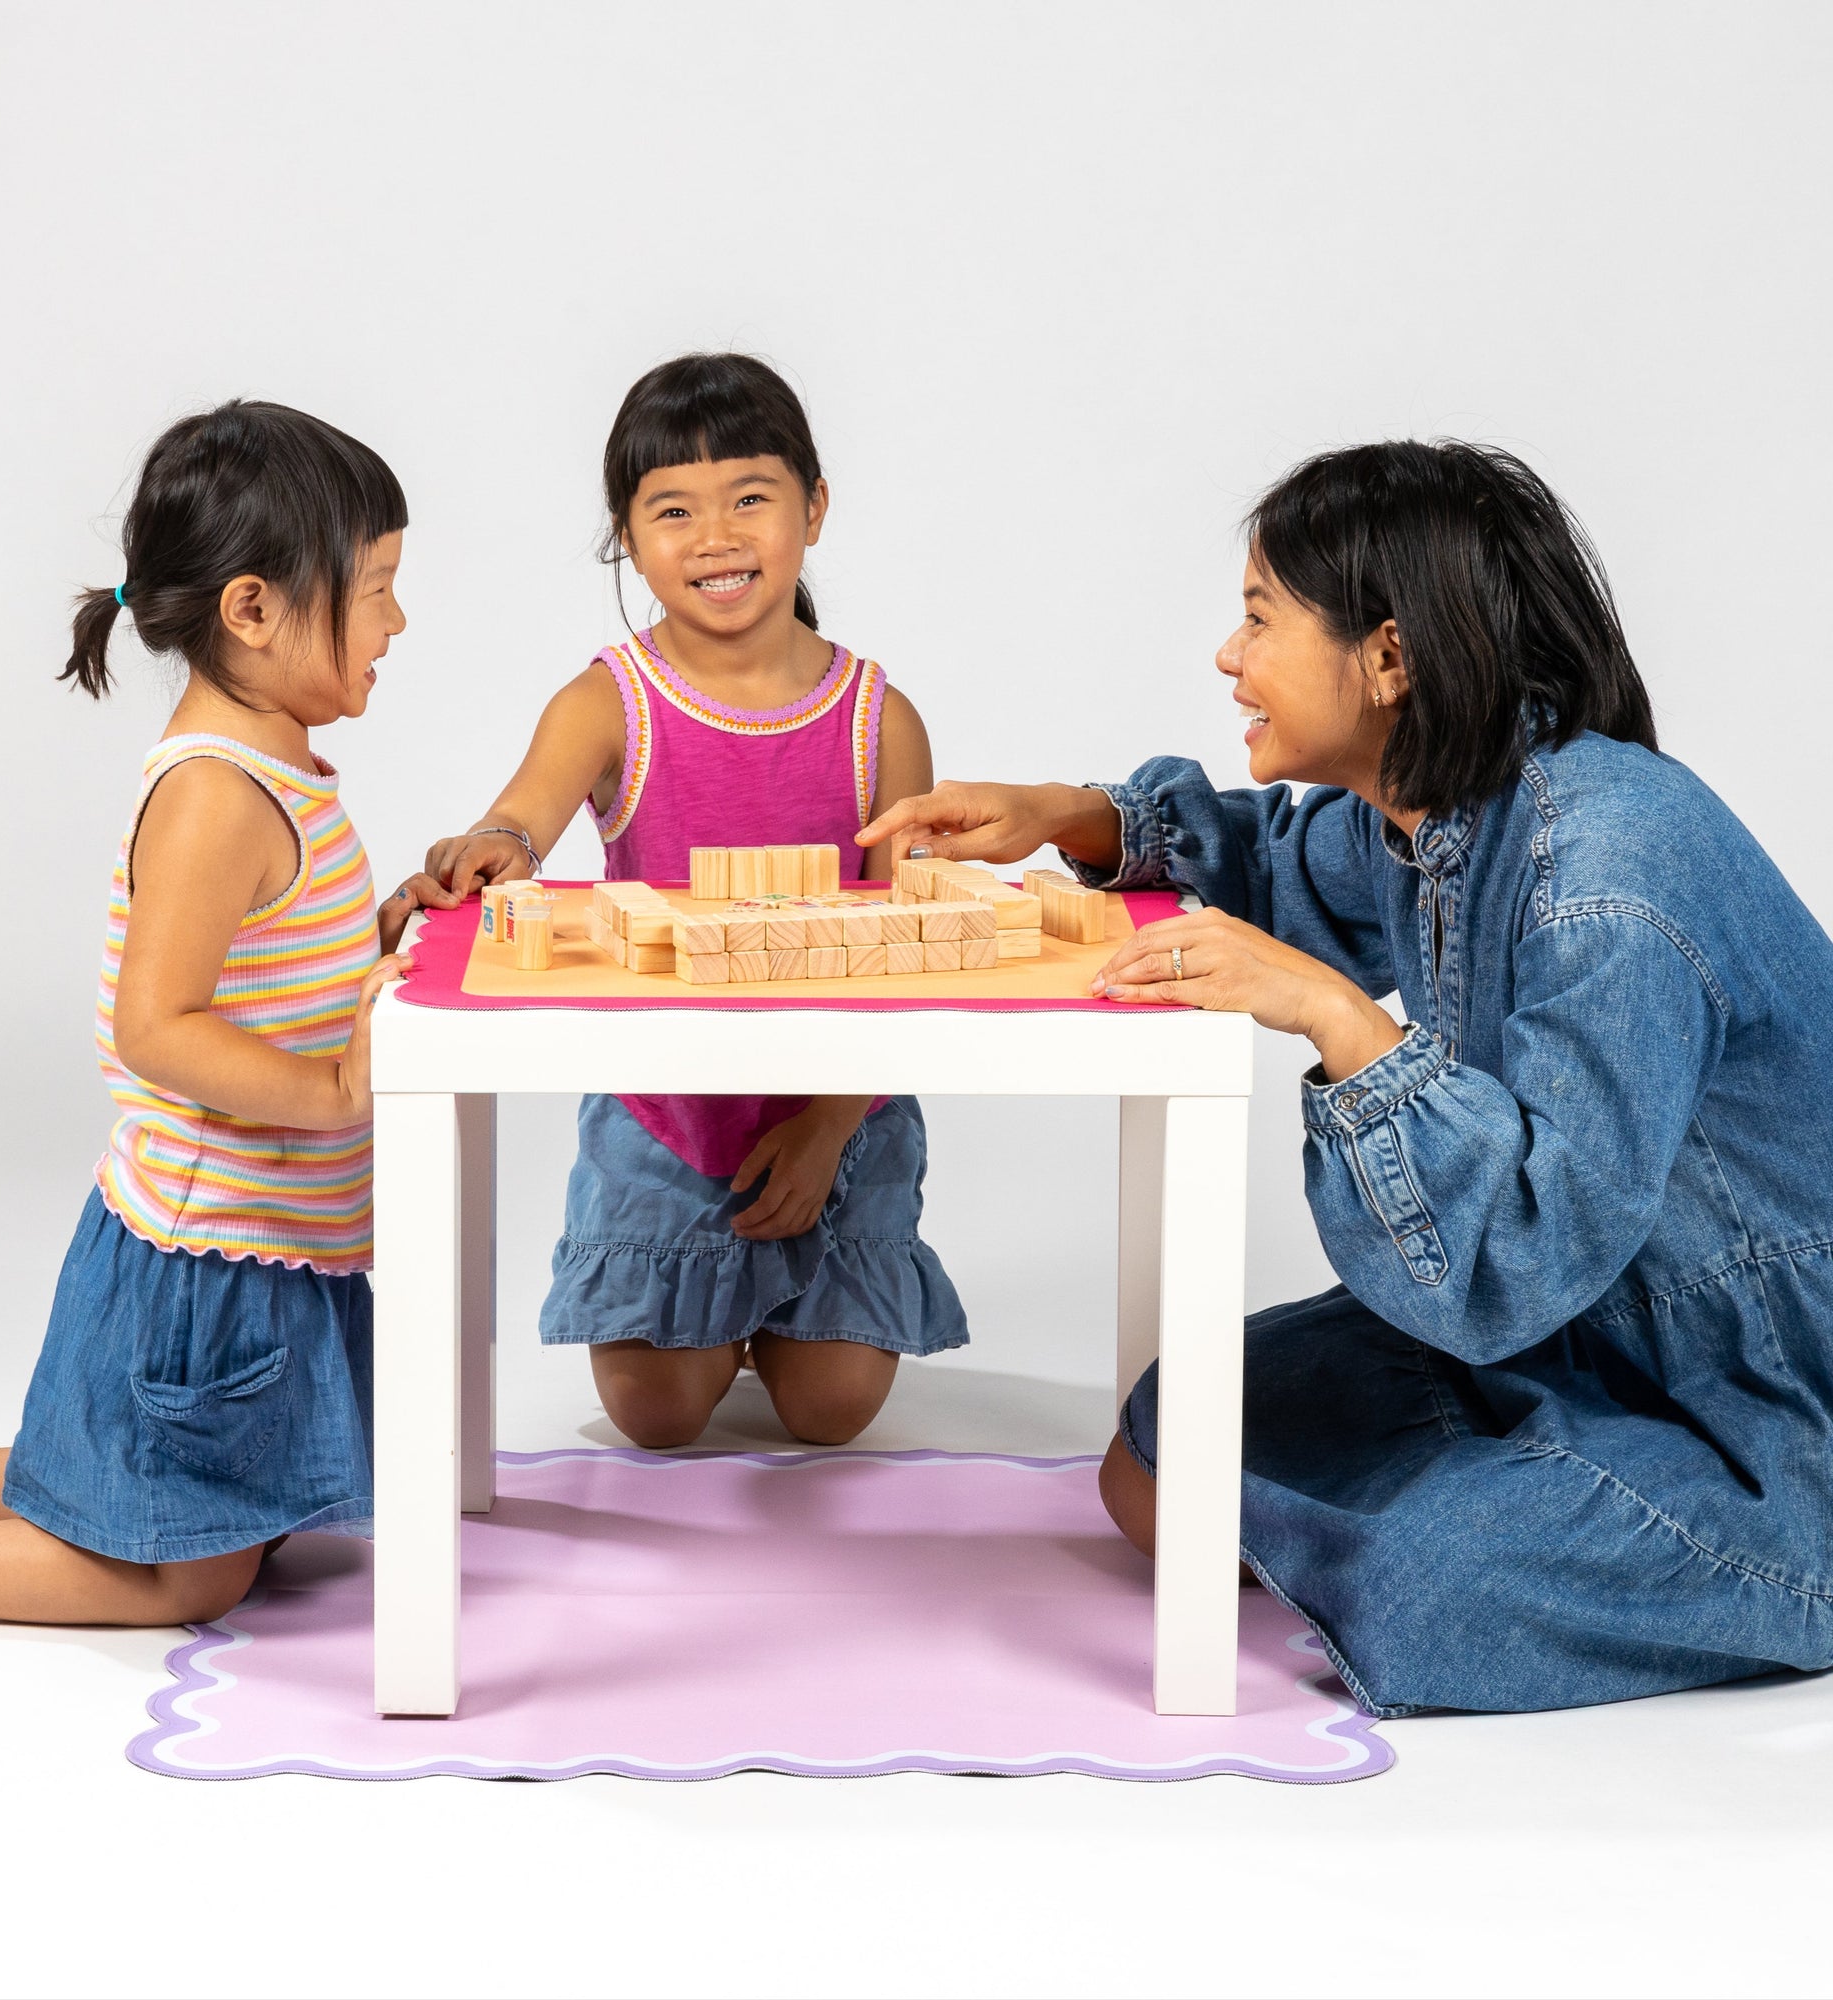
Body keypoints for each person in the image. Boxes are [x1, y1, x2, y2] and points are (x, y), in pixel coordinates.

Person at [859, 439, 1833, 1716]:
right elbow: (1278, 860)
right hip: (1576, 1342)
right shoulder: (1443, 799)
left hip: (1760, 1415)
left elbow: (1518, 1253)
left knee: (1423, 1583)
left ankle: (1712, 1554)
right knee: (1161, 1449)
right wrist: (1064, 812)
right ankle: (1524, 1490)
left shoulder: (1605, 875)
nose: (1227, 656)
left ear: (1386, 657)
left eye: (1258, 618)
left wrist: (1327, 1009)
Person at [0, 400, 447, 1625]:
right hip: (206, 1254)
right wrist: (335, 1089)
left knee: (252, 1515)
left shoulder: (277, 763)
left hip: (273, 1237)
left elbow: (267, 958)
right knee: (194, 1576)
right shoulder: (217, 791)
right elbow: (157, 1023)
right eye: (373, 588)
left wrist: (383, 931)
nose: (395, 620)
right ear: (254, 608)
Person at [425, 353, 966, 1449]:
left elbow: (912, 944)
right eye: (673, 510)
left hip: (836, 1103)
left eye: (749, 499)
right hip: (665, 1113)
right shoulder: (605, 700)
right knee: (655, 1415)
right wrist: (492, 845)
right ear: (625, 535)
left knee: (831, 1412)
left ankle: (783, 1306)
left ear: (812, 508)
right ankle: (712, 1311)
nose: (714, 538)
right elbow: (518, 821)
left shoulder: (878, 717)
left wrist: (824, 1126)